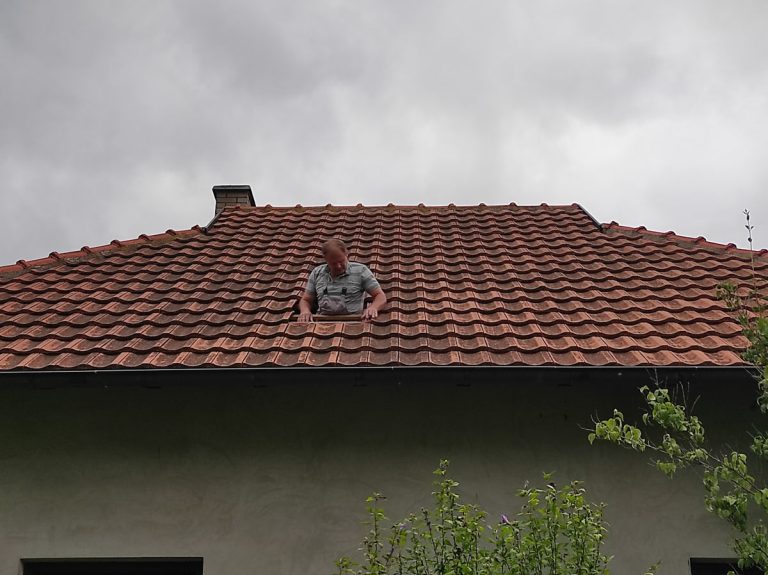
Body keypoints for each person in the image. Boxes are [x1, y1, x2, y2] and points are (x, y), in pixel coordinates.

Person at [297, 238, 386, 322]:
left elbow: (380, 296)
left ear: (346, 254)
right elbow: (306, 300)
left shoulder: (361, 271)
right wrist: (305, 311)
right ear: (326, 260)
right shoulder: (317, 273)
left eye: (341, 261)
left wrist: (373, 308)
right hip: (322, 322)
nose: (339, 266)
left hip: (352, 323)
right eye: (334, 264)